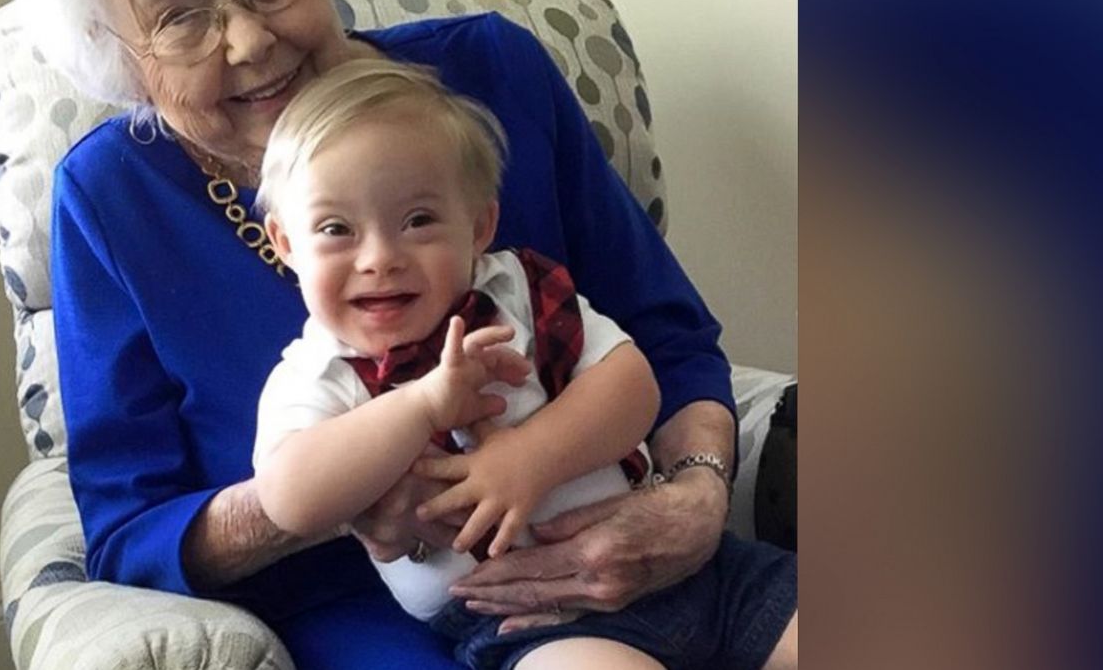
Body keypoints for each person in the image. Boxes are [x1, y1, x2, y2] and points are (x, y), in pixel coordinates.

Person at [0, 0, 797, 667]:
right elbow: (130, 526)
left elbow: (664, 335)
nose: (249, 38)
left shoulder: (490, 79)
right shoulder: (111, 201)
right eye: (177, 15)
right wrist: (333, 492)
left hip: (627, 526)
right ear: (116, 55)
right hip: (363, 607)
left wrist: (692, 500)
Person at [249, 61, 795, 669]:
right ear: (287, 243)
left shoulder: (519, 294)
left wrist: (527, 458)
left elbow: (630, 385)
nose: (380, 257)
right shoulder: (321, 372)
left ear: (479, 225)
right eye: (335, 229)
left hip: (695, 572)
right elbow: (290, 499)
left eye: (419, 221)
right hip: (534, 624)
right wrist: (422, 404)